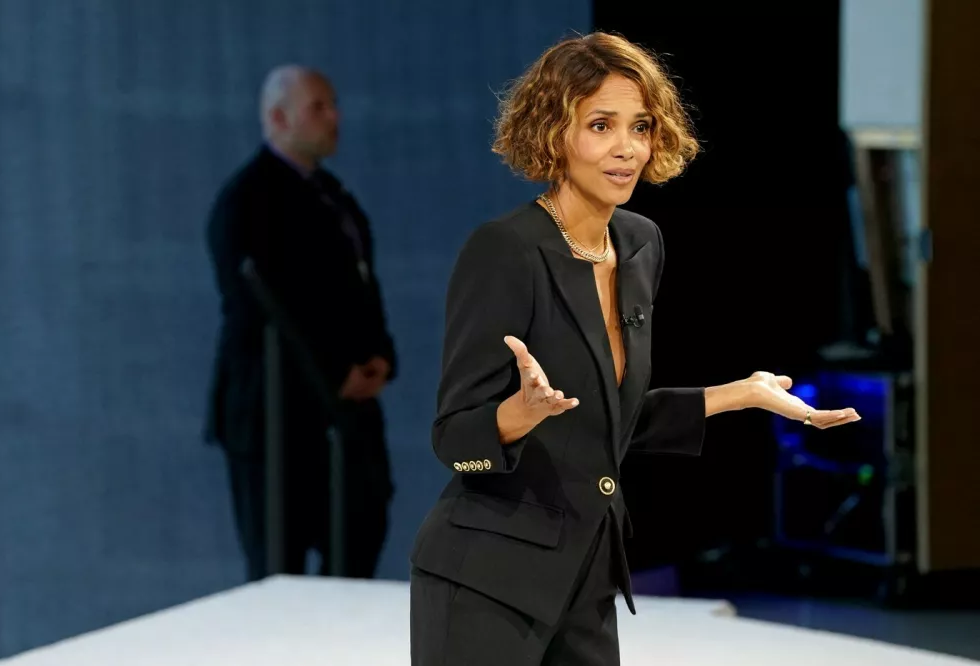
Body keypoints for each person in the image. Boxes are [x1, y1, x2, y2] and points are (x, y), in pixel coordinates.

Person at [408, 32, 860, 665]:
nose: (627, 149)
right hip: (488, 578)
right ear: (553, 133)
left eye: (641, 126)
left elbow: (610, 422)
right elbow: (455, 439)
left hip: (589, 571)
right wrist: (521, 415)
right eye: (600, 125)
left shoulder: (641, 244)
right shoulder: (506, 250)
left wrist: (741, 395)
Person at [204, 65, 397, 581]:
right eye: (319, 107)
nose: (335, 117)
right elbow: (264, 308)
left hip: (346, 414)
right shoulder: (247, 200)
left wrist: (379, 356)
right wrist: (336, 371)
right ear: (277, 117)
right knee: (278, 569)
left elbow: (361, 289)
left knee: (358, 542)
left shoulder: (333, 196)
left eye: (333, 105)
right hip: (277, 419)